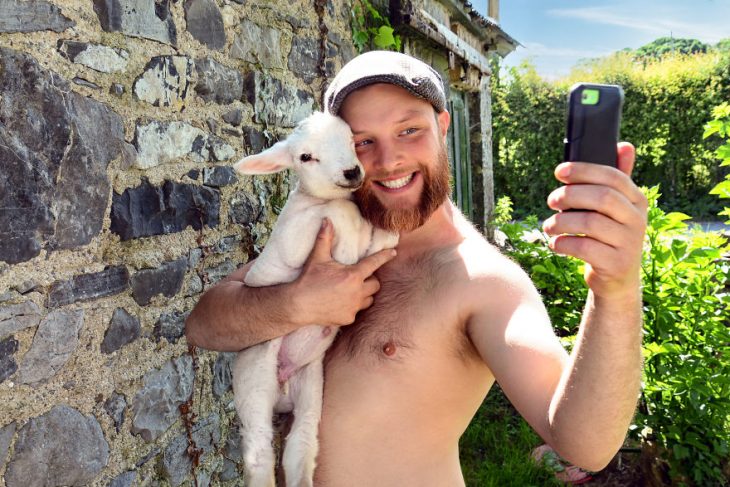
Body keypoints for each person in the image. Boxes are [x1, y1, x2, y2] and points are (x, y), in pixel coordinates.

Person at [185, 50, 648, 486]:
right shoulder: (332, 233)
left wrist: (617, 291)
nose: (389, 162)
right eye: (364, 141)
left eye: (410, 131)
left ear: (443, 126)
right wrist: (294, 303)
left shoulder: (481, 281)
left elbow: (586, 443)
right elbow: (205, 326)